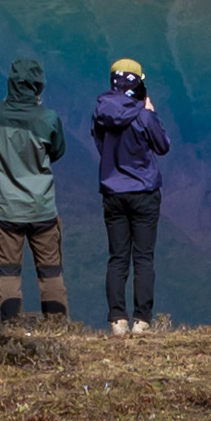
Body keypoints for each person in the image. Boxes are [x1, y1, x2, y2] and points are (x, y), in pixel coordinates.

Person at [0, 58, 66, 324]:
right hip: (41, 206)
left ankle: (11, 327)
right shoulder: (48, 118)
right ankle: (57, 327)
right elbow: (57, 150)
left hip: (5, 206)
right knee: (50, 271)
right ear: (38, 86)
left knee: (8, 271)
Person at [89, 54, 173, 331]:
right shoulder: (141, 114)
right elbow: (162, 146)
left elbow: (102, 146)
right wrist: (151, 114)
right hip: (144, 191)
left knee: (117, 257)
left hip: (112, 191)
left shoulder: (101, 112)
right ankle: (141, 320)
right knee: (143, 257)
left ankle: (117, 319)